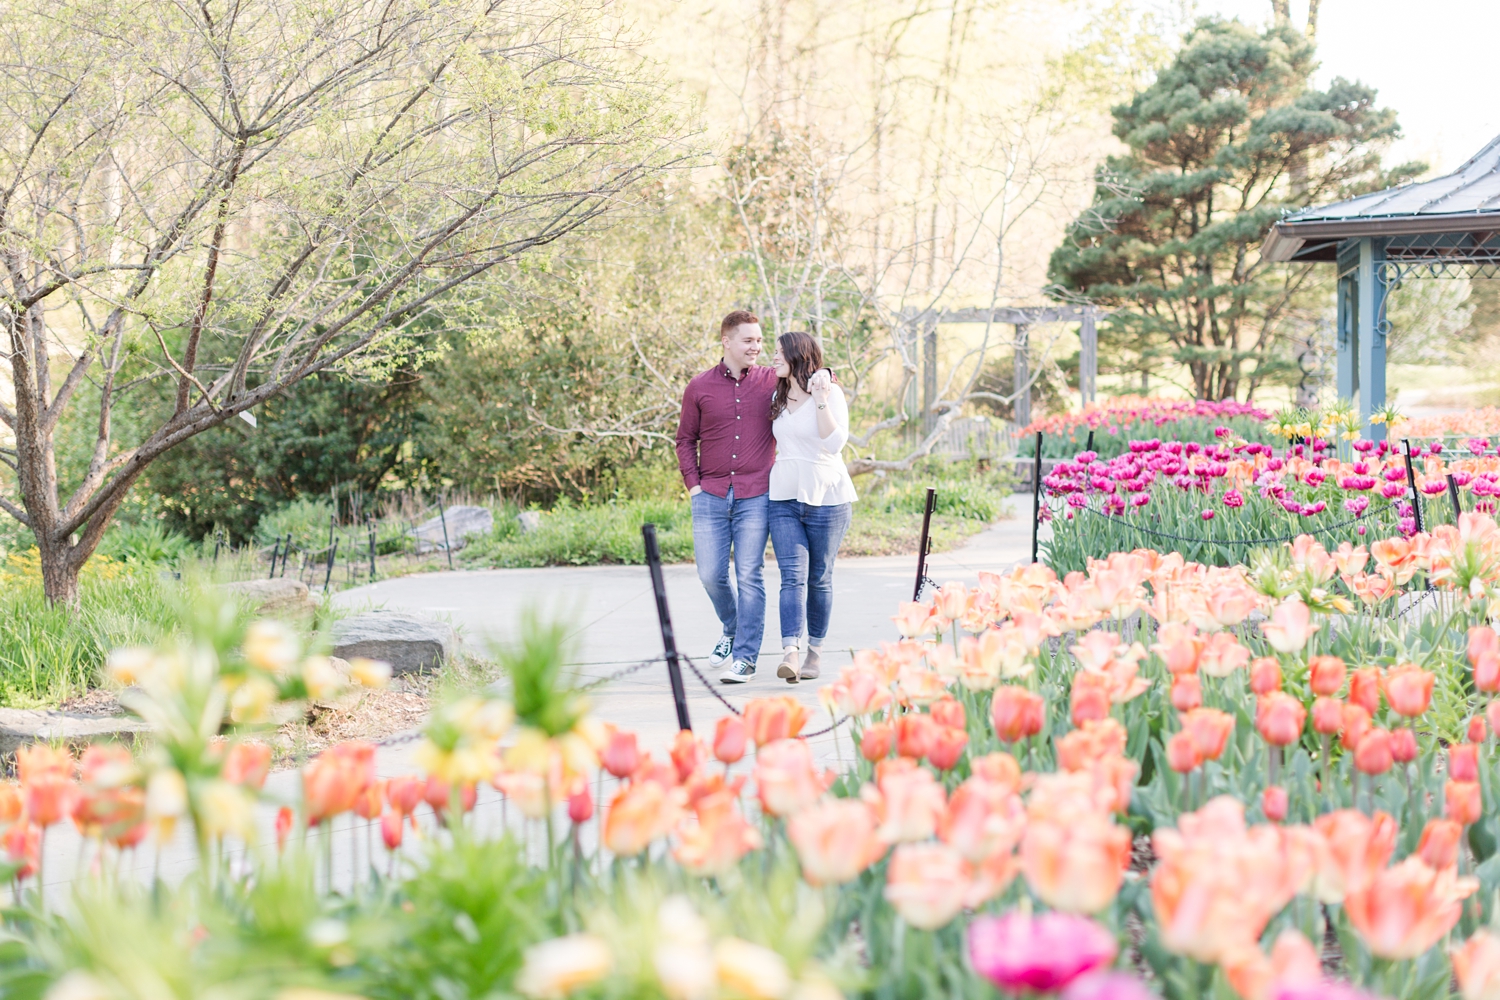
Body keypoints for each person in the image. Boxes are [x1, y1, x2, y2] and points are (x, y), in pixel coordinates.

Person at [676, 310, 778, 683]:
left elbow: (815, 371)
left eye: (760, 341)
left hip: (756, 494)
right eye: (749, 340)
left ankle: (746, 658)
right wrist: (694, 485)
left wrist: (826, 377)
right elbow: (685, 439)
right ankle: (733, 629)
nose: (757, 347)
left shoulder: (772, 379)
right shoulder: (699, 387)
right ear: (727, 341)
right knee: (711, 575)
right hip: (711, 494)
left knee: (749, 574)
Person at [766, 331, 857, 683]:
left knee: (819, 578)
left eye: (778, 353)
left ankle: (814, 653)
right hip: (784, 496)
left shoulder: (829, 392)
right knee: (791, 576)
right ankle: (790, 650)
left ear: (798, 355)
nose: (772, 358)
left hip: (828, 498)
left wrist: (820, 397)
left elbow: (834, 443)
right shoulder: (776, 391)